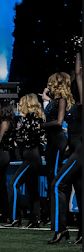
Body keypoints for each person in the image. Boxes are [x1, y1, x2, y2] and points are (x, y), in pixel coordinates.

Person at [48, 52, 82, 244]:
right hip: (74, 149)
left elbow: (78, 75)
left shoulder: (80, 104)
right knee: (80, 190)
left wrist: (79, 51)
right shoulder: (73, 104)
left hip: (80, 152)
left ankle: (61, 229)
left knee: (56, 184)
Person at [41, 72, 74, 225]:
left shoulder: (61, 99)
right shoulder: (55, 100)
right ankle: (53, 215)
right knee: (51, 177)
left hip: (58, 141)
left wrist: (39, 126)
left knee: (55, 178)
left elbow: (59, 122)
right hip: (52, 142)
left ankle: (58, 218)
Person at [6, 94, 44, 228]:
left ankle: (15, 218)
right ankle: (35, 220)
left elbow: (29, 140)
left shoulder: (31, 120)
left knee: (13, 184)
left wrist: (16, 136)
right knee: (32, 190)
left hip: (31, 157)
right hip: (32, 156)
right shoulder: (33, 120)